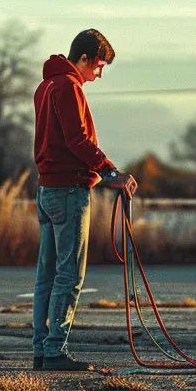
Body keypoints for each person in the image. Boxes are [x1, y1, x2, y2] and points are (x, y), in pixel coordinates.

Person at [30, 28, 137, 371]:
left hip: (46, 190)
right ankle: (55, 350)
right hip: (70, 191)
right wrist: (109, 171)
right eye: (100, 65)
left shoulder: (45, 87)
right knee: (70, 275)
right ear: (86, 58)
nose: (100, 74)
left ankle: (41, 349)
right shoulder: (68, 87)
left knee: (46, 275)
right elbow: (77, 140)